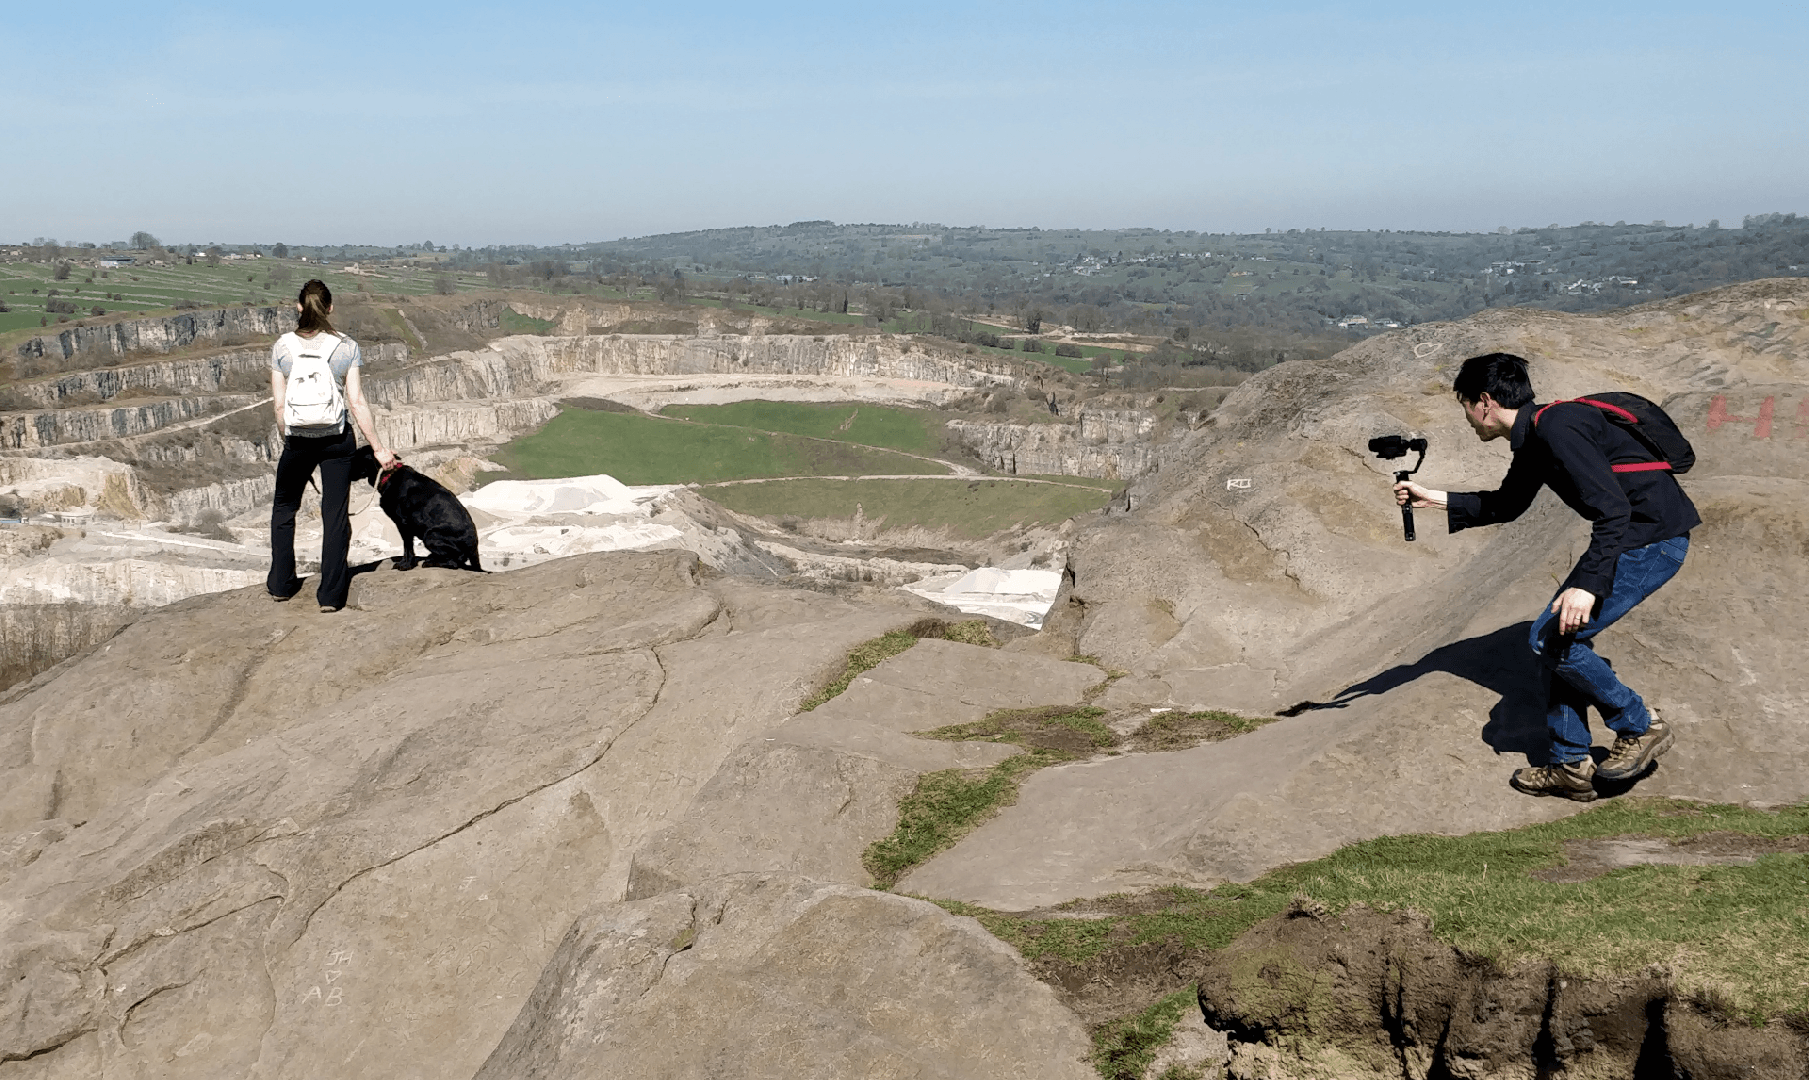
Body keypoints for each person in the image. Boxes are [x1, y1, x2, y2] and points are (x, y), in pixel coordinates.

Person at [1394, 352, 1699, 801]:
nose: (1467, 421)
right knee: (1559, 642)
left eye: (1464, 407)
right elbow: (1507, 504)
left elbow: (1613, 510)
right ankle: (1570, 764)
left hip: (1650, 541)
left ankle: (1640, 725)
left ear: (1484, 402)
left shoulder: (1559, 427)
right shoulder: (1538, 435)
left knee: (1550, 638)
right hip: (1631, 539)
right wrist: (1434, 498)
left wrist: (1586, 585)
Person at [267, 280, 396, 611]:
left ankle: (282, 584)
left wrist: (289, 439)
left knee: (284, 509)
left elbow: (279, 407)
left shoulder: (282, 347)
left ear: (298, 307)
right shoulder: (347, 347)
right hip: (337, 440)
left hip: (298, 439)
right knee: (335, 515)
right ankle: (331, 595)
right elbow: (356, 401)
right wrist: (379, 448)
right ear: (330, 308)